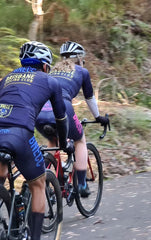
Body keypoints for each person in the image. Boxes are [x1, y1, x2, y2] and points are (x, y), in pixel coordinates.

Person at [0, 41, 73, 240]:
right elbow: (61, 117)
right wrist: (64, 143)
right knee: (38, 184)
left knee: (2, 171)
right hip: (20, 134)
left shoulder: (7, 78)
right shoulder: (50, 81)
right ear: (44, 65)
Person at [35, 41, 109, 197]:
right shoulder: (82, 71)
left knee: (53, 142)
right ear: (79, 58)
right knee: (80, 140)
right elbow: (89, 98)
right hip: (62, 109)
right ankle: (81, 184)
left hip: (40, 111)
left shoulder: (51, 70)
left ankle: (43, 178)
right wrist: (98, 117)